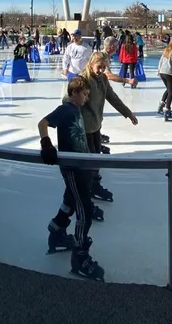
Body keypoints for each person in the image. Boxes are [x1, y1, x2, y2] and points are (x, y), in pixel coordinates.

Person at [38, 75, 104, 281]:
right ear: (74, 93)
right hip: (73, 169)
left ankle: (57, 231)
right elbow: (43, 123)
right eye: (84, 94)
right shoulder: (65, 109)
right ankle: (80, 255)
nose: (86, 98)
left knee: (70, 201)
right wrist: (46, 144)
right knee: (84, 208)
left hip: (81, 166)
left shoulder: (76, 110)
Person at [80, 51, 138, 206]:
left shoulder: (103, 79)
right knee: (90, 159)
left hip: (96, 124)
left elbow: (113, 98)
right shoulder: (82, 80)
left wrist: (128, 113)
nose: (101, 70)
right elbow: (68, 101)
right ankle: (88, 189)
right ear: (91, 64)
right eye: (99, 67)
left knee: (96, 157)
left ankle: (94, 184)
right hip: (84, 127)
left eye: (104, 67)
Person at [157, 36, 172, 121]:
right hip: (169, 73)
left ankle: (161, 105)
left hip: (162, 72)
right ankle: (167, 111)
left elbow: (161, 60)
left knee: (168, 89)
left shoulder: (166, 49)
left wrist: (158, 70)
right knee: (171, 92)